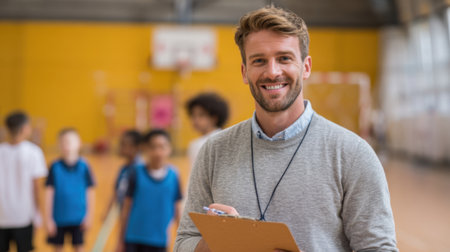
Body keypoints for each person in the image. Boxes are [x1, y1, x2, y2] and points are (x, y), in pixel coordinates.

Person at [174, 6, 398, 252]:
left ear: (306, 67)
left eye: (284, 58)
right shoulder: (214, 151)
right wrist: (219, 240)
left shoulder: (352, 154)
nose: (272, 72)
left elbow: (378, 248)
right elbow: (184, 241)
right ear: (244, 71)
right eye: (259, 60)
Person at [118, 129, 183, 252]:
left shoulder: (174, 176)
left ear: (169, 149)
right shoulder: (135, 172)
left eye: (162, 147)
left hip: (159, 240)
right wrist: (120, 240)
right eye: (153, 147)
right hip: (133, 238)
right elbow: (126, 207)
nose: (158, 152)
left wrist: (182, 241)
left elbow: (177, 209)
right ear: (145, 149)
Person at [0, 111, 47, 252]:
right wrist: (38, 214)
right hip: (24, 216)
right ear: (25, 128)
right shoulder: (34, 152)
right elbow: (36, 188)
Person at [45, 128, 95, 252]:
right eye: (63, 142)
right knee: (57, 247)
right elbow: (48, 194)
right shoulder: (54, 167)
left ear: (79, 143)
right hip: (58, 218)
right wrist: (48, 219)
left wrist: (89, 215)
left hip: (79, 218)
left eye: (70, 141)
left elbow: (90, 192)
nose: (66, 145)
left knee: (79, 246)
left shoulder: (85, 166)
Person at [103, 130, 143, 220]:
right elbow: (117, 191)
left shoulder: (141, 170)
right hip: (124, 214)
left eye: (124, 145)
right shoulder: (124, 169)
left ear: (136, 147)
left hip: (136, 216)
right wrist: (108, 211)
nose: (120, 147)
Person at [185, 93, 229, 166]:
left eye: (201, 115)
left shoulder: (197, 145)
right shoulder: (228, 138)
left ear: (214, 117)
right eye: (193, 115)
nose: (196, 120)